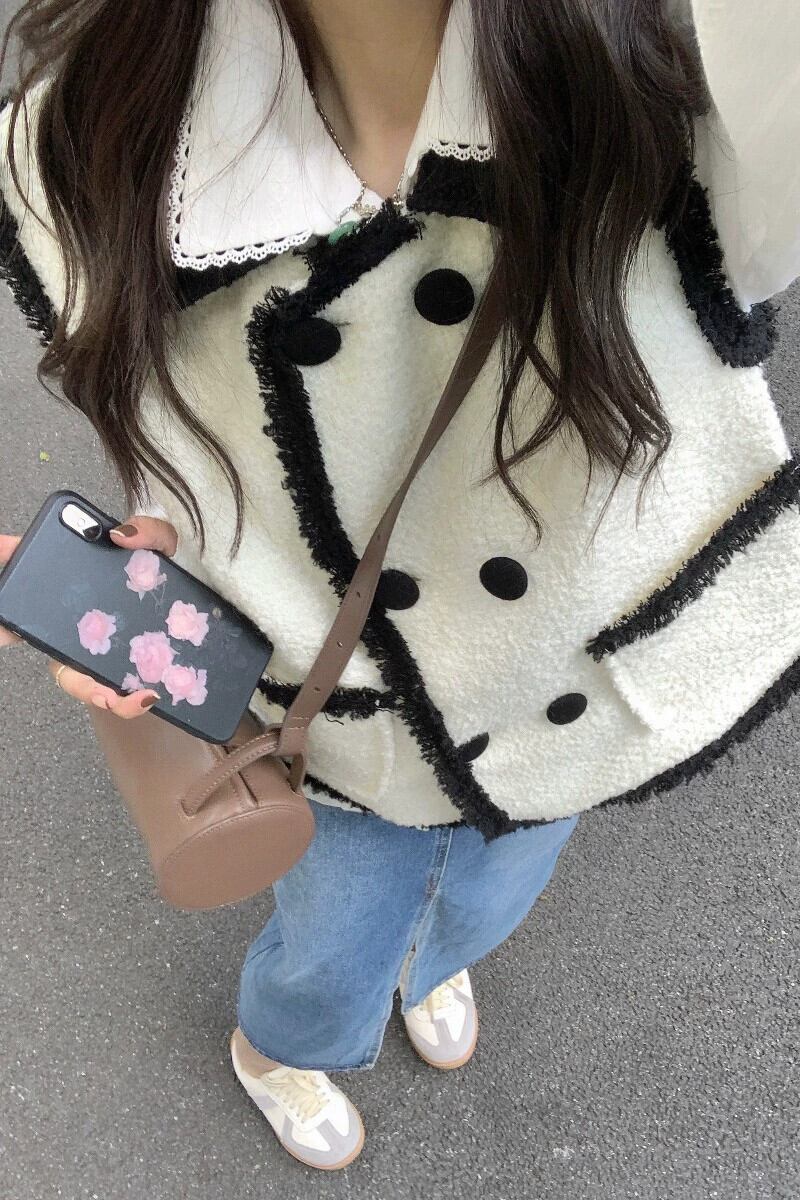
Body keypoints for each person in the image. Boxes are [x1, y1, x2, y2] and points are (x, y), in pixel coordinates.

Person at [1, 0, 799, 1173]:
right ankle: (280, 1048)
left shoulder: (684, 97)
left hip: (549, 713)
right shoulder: (89, 131)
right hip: (326, 727)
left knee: (486, 894)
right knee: (330, 944)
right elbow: (176, 425)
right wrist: (156, 551)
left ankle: (428, 962)